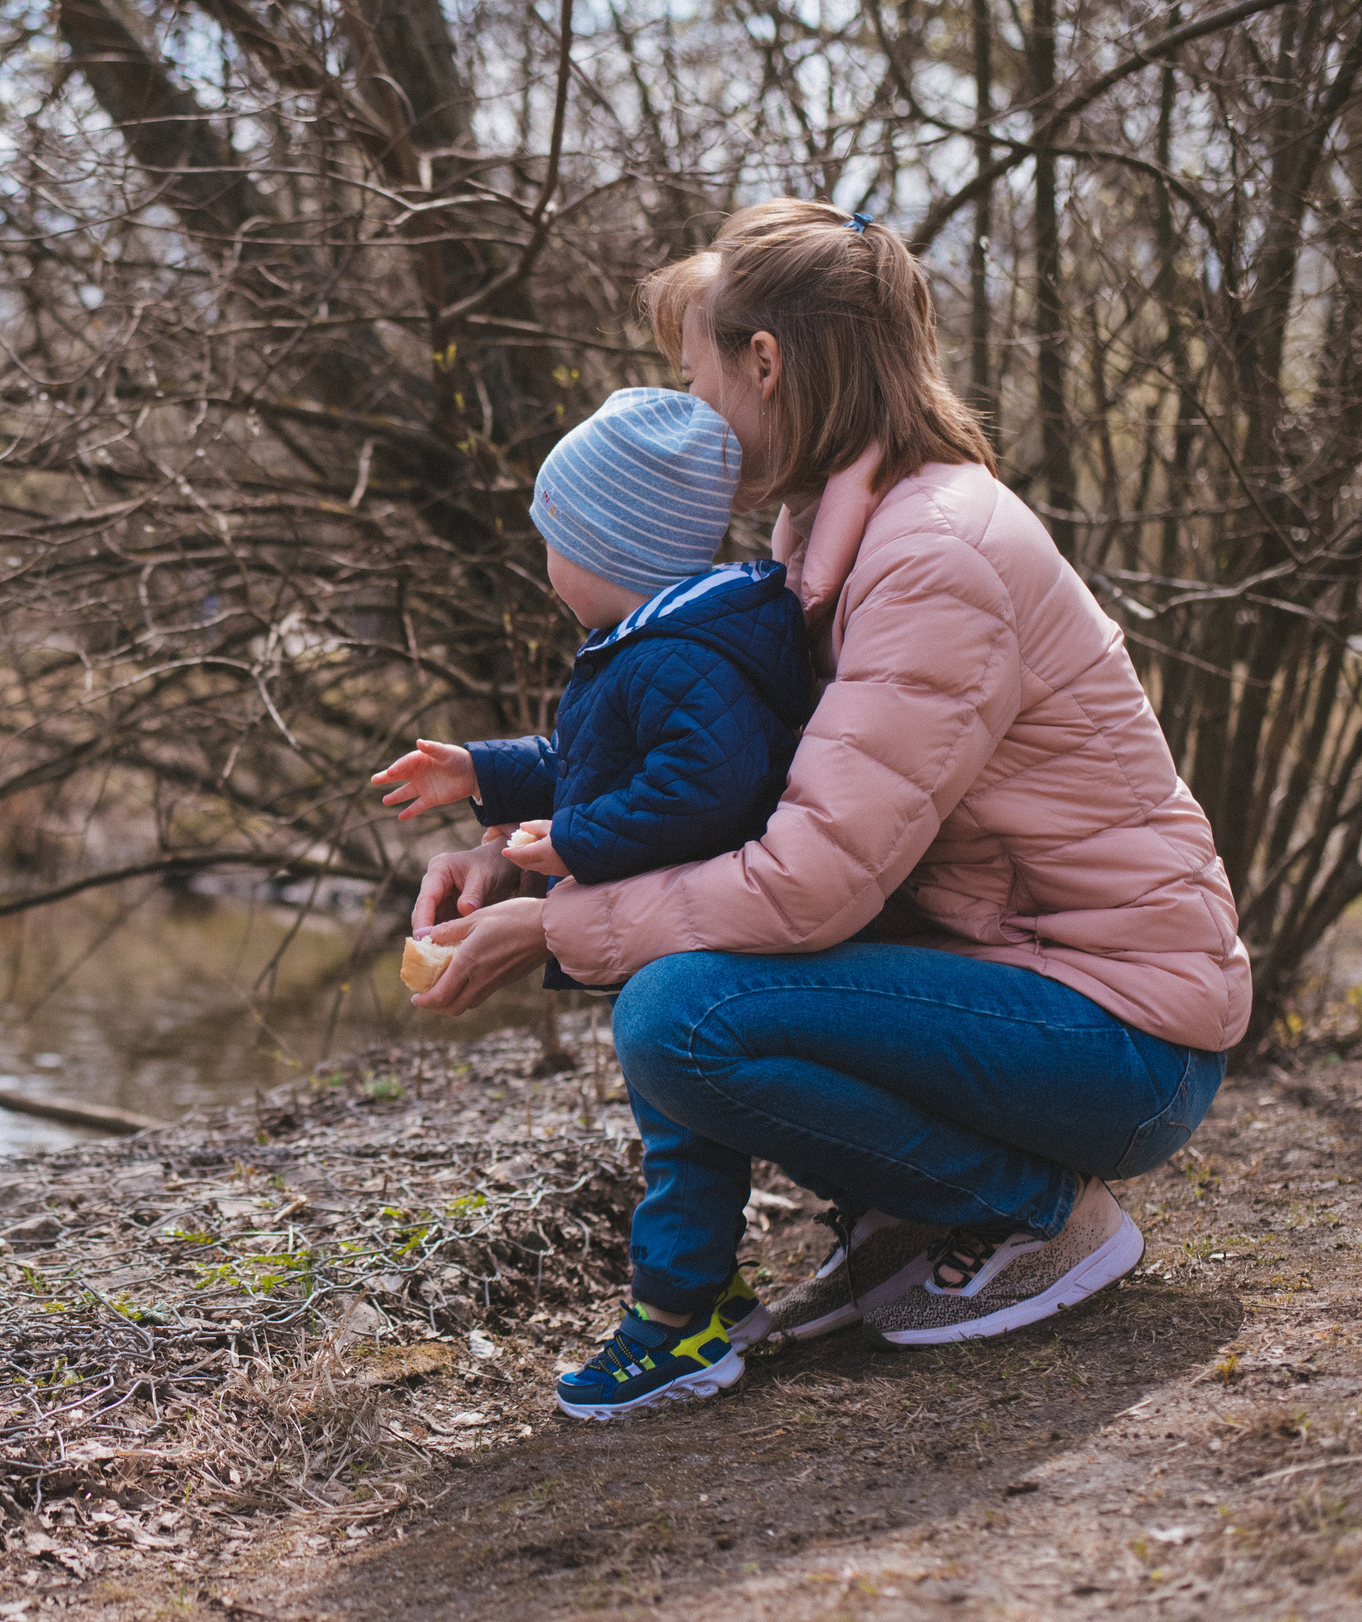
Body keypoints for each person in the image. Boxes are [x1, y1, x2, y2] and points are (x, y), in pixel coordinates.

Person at [405, 199, 1247, 1417]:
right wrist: (521, 847)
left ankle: (1030, 1209)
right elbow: (749, 799)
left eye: (693, 375)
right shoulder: (828, 535)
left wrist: (556, 927)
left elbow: (809, 878)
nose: (690, 410)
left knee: (682, 1016)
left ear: (765, 362)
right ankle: (924, 1210)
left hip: (1123, 1035)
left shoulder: (930, 556)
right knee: (683, 986)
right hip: (1025, 979)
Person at [372, 386, 814, 1417]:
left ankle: (678, 1323)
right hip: (679, 923)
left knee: (681, 1139)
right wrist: (483, 772)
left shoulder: (676, 656)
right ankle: (707, 1293)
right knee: (682, 1132)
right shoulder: (662, 642)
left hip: (693, 939)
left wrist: (569, 840)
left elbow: (699, 788)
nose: (543, 566)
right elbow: (593, 759)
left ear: (614, 549)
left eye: (552, 542)